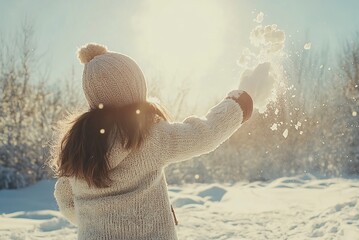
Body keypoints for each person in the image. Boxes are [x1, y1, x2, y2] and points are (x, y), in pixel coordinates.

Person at [50, 43, 253, 239]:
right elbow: (205, 135)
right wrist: (239, 104)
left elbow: (65, 198)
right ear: (135, 87)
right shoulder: (148, 136)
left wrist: (98, 218)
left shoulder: (79, 148)